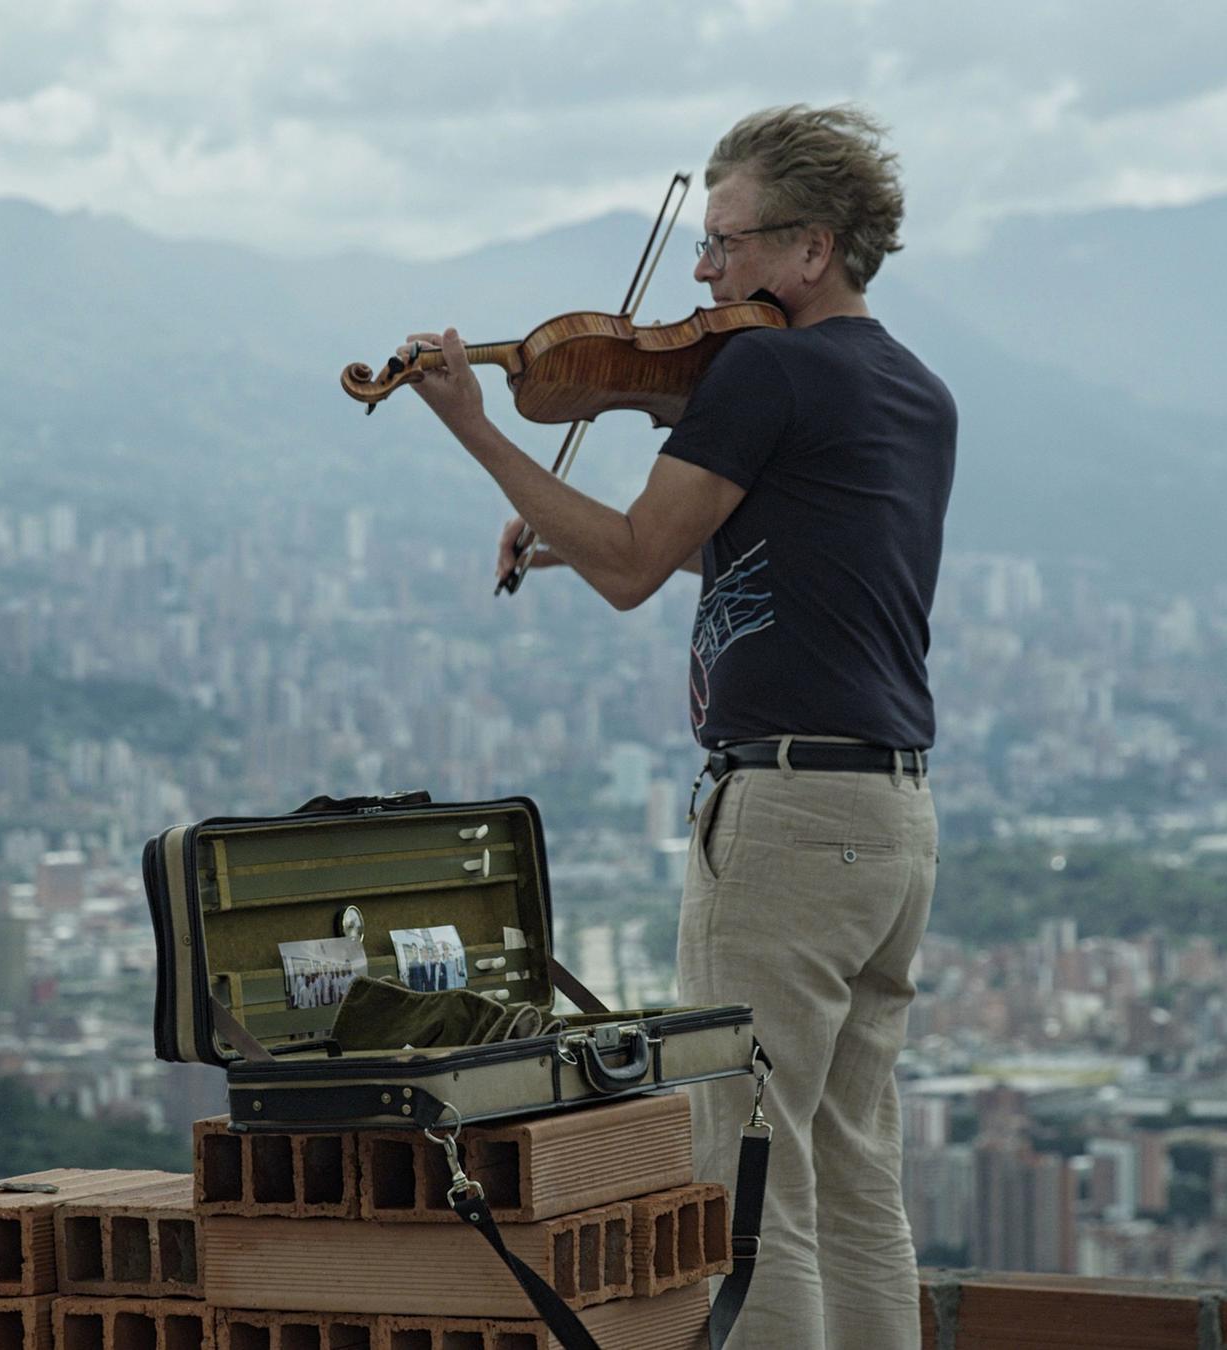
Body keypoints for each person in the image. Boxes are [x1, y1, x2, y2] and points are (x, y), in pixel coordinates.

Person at [400, 103, 955, 1348]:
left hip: (789, 816)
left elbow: (637, 562)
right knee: (857, 1173)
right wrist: (564, 535)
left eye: (726, 244)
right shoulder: (915, 390)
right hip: (895, 816)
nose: (701, 275)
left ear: (811, 249)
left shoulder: (763, 368)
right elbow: (790, 555)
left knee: (753, 1182)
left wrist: (478, 430)